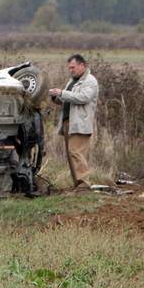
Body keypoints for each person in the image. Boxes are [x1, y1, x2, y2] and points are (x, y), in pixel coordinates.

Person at [49, 54, 99, 190]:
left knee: (76, 152)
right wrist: (56, 97)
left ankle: (84, 184)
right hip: (68, 123)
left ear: (82, 65)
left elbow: (83, 97)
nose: (71, 70)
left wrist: (62, 93)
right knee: (71, 154)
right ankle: (78, 184)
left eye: (73, 67)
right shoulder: (72, 81)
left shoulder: (90, 81)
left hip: (80, 124)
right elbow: (67, 99)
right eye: (69, 68)